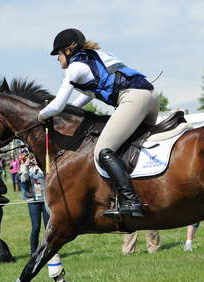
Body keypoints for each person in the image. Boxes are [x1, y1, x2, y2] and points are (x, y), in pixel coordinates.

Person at [38, 28, 158, 217]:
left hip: (132, 99)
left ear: (69, 50)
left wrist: (41, 116)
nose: (57, 58)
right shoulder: (98, 56)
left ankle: (131, 201)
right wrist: (73, 111)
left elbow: (57, 105)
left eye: (58, 53)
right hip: (150, 97)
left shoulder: (74, 68)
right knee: (132, 146)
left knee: (103, 150)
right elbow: (88, 96)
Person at [24, 158, 50, 256]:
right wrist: (25, 166)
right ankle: (33, 252)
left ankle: (48, 250)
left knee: (48, 226)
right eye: (31, 159)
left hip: (45, 200)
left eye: (34, 158)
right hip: (33, 201)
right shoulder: (27, 169)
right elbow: (23, 179)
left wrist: (40, 165)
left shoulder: (43, 167)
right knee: (35, 227)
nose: (33, 160)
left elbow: (49, 176)